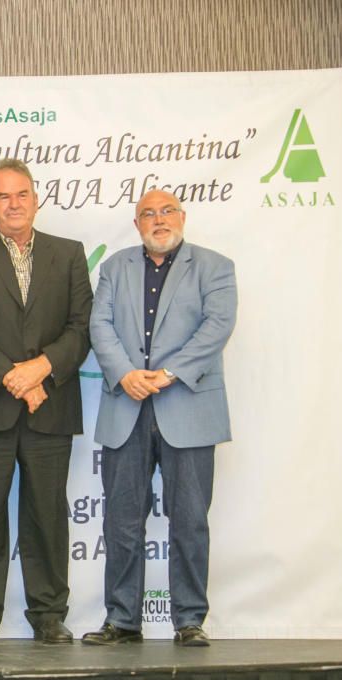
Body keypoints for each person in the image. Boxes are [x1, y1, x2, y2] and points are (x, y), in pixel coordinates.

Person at [0, 158, 92, 644]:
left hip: (51, 403)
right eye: (2, 196)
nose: (13, 204)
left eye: (21, 194)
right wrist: (13, 377)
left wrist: (41, 370)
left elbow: (81, 326)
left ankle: (49, 613)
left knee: (46, 514)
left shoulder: (69, 252)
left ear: (36, 198)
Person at [82, 189, 237, 648]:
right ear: (136, 225)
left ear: (182, 217)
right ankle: (122, 620)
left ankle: (189, 620)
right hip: (126, 406)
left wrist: (169, 374)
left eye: (167, 211)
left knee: (189, 520)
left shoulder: (215, 266)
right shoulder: (113, 268)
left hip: (187, 406)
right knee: (121, 521)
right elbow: (99, 326)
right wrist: (126, 374)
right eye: (148, 214)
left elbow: (217, 326)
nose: (158, 219)